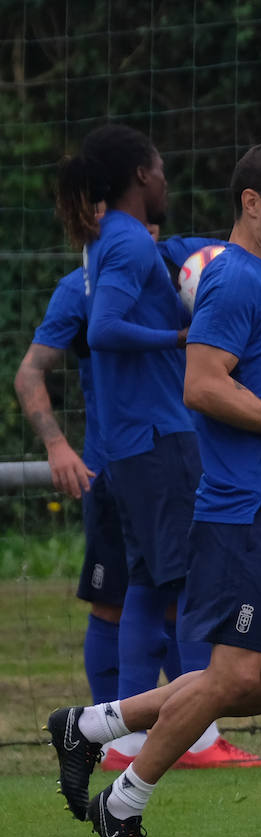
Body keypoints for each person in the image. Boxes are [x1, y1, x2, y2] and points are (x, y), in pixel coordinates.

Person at [46, 140, 261, 837]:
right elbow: (202, 386)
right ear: (251, 204)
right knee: (230, 675)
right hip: (244, 511)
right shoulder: (232, 282)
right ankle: (122, 805)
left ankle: (88, 725)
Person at [49, 123, 261, 778]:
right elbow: (106, 329)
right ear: (143, 176)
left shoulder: (114, 242)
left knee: (147, 586)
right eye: (162, 170)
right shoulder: (123, 242)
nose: (168, 181)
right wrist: (182, 336)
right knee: (185, 587)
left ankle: (116, 732)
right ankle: (188, 739)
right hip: (155, 440)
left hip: (128, 444)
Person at [15, 265, 127, 706]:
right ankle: (107, 734)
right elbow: (29, 374)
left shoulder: (180, 273)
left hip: (176, 470)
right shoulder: (79, 287)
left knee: (183, 604)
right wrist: (57, 444)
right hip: (110, 475)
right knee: (111, 603)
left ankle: (199, 739)